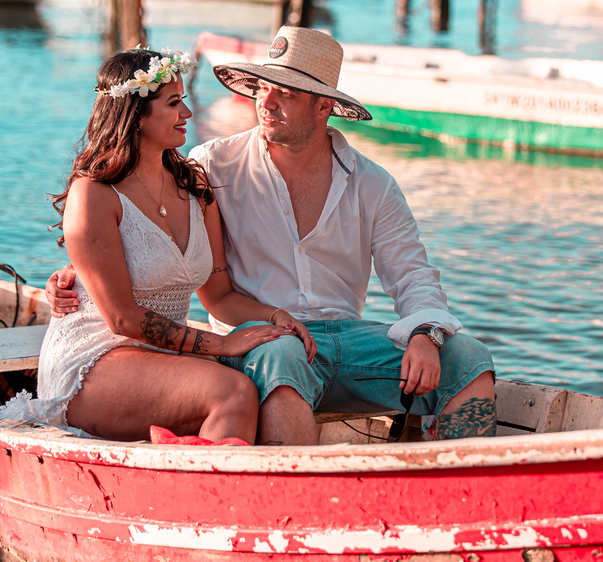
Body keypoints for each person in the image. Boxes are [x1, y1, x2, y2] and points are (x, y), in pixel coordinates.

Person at [49, 27, 496, 445]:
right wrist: (74, 274)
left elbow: (414, 276)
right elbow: (131, 236)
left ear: (324, 107)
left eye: (285, 92)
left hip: (349, 340)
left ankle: (462, 492)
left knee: (470, 358)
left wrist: (426, 333)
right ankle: (294, 510)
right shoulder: (214, 167)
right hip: (261, 341)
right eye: (263, 88)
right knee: (282, 356)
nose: (266, 102)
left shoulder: (372, 183)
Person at [3, 47, 315, 443]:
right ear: (135, 115)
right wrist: (221, 343)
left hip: (166, 357)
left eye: (183, 100)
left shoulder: (195, 186)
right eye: (173, 103)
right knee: (232, 392)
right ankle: (212, 501)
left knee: (267, 371)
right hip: (96, 358)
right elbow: (123, 319)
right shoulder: (94, 194)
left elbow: (218, 296)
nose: (187, 113)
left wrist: (274, 316)